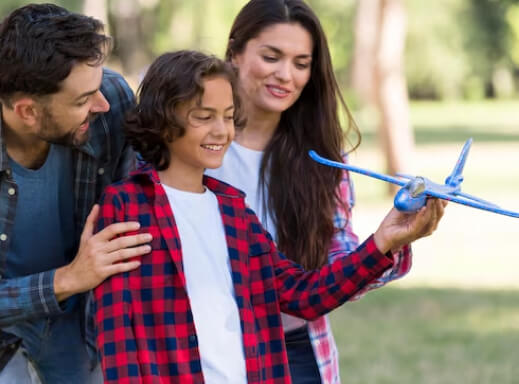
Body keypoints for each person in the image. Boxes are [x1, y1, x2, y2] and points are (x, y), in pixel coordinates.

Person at [93, 50, 444, 383]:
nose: (221, 130)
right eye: (204, 116)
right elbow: (117, 334)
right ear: (163, 122)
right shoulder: (126, 207)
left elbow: (304, 295)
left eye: (229, 116)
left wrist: (384, 240)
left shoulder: (233, 211)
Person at [0, 3, 152, 384]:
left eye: (97, 88)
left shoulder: (112, 100)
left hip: (83, 318)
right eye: (82, 100)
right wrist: (67, 279)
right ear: (27, 111)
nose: (101, 104)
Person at [205, 0, 432, 384]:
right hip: (202, 345)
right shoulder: (189, 142)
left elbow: (335, 266)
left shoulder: (323, 160)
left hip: (296, 350)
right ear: (235, 53)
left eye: (301, 64)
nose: (285, 75)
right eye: (271, 57)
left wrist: (387, 243)